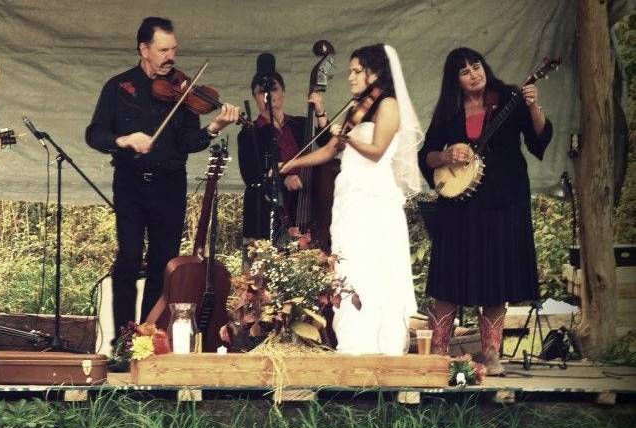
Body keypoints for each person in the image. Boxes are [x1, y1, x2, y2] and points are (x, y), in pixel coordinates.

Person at [85, 17, 240, 345]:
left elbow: (188, 141)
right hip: (130, 183)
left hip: (170, 186)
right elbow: (95, 134)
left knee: (162, 264)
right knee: (127, 260)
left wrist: (214, 128)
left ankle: (147, 340)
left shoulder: (183, 92)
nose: (171, 56)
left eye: (174, 49)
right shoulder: (119, 87)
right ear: (144, 50)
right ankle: (123, 342)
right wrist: (124, 140)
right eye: (163, 49)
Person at [418, 48, 552, 375]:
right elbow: (427, 156)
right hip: (459, 205)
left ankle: (491, 354)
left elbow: (540, 140)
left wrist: (533, 106)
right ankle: (439, 353)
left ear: (484, 67)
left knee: (496, 274)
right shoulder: (449, 111)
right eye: (464, 71)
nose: (473, 74)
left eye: (475, 66)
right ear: (456, 80)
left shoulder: (508, 97)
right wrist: (447, 155)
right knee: (450, 273)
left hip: (503, 201)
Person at [281, 44, 422, 355]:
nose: (350, 78)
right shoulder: (357, 108)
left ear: (376, 73)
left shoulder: (389, 105)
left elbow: (377, 151)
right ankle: (353, 342)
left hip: (374, 196)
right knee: (349, 266)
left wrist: (347, 138)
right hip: (349, 196)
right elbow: (330, 149)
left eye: (357, 71)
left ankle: (379, 345)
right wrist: (293, 163)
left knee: (373, 265)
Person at [237, 71, 329, 250]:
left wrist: (319, 111)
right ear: (255, 99)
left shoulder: (301, 124)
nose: (267, 95)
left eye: (273, 89)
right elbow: (251, 175)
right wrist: (282, 179)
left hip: (305, 202)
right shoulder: (249, 133)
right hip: (268, 209)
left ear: (283, 93)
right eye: (260, 92)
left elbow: (327, 143)